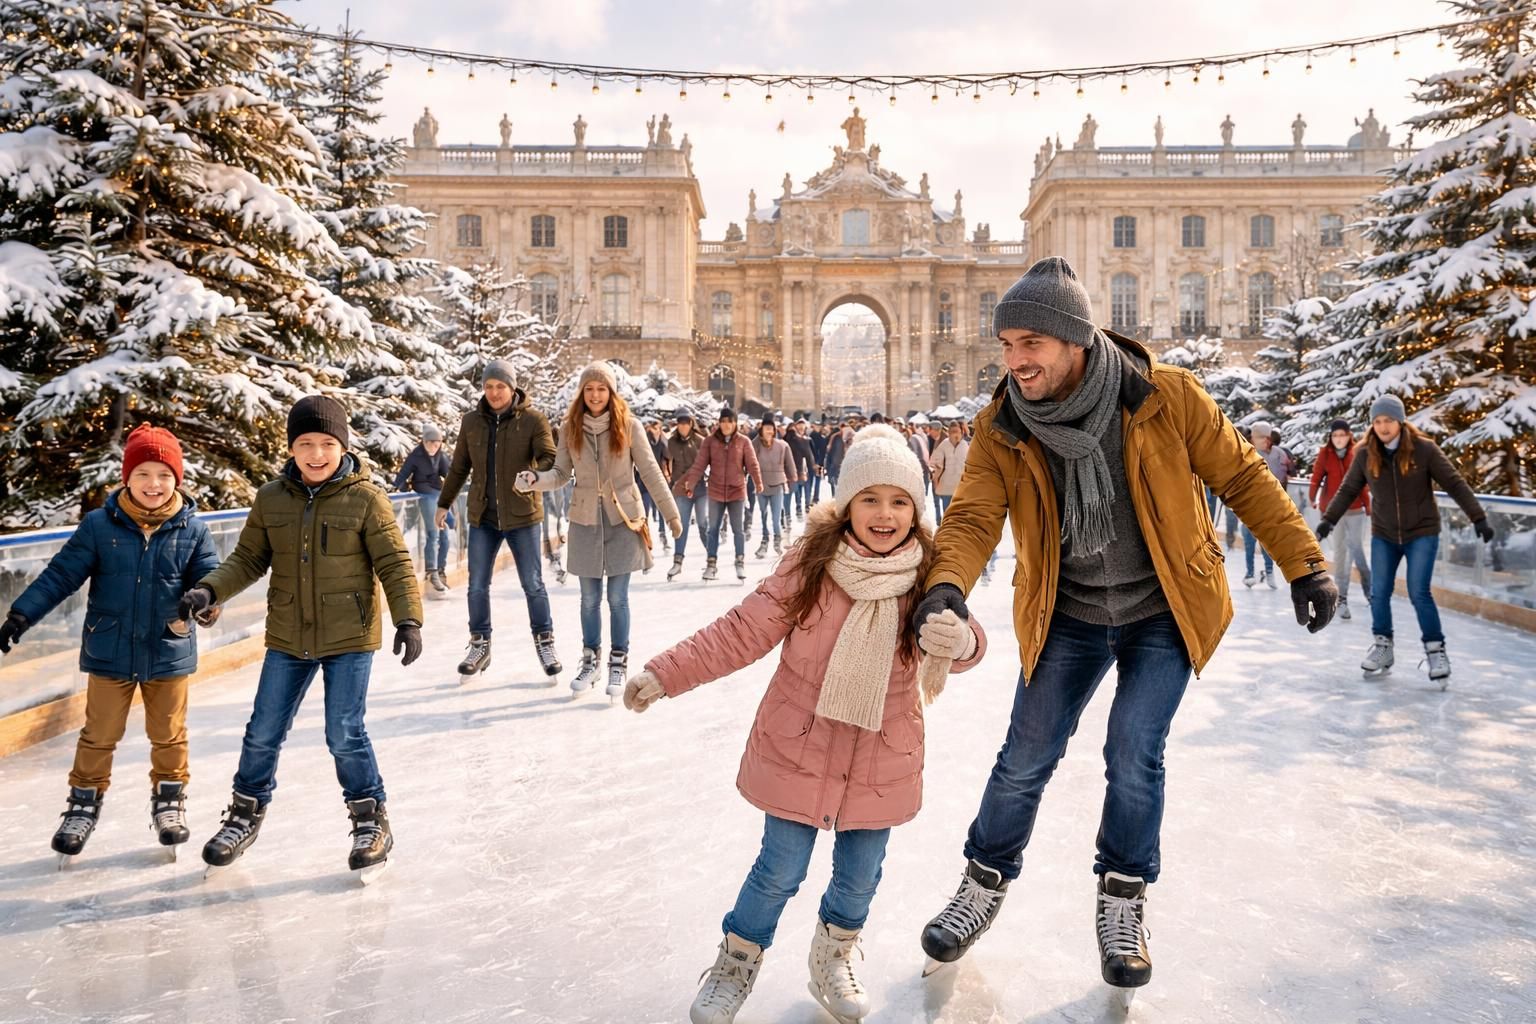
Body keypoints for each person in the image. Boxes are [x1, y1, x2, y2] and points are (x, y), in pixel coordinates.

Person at [911, 257, 1336, 996]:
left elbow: (1240, 475)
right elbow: (975, 514)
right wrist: (946, 585)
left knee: (1134, 748)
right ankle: (982, 881)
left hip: (1163, 609)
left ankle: (1123, 900)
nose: (1014, 361)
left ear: (1074, 339)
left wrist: (1304, 563)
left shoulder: (1165, 397)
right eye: (1006, 344)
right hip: (1068, 612)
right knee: (1025, 755)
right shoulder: (1005, 423)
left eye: (1030, 344)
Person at [622, 424, 987, 1024]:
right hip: (799, 748)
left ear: (917, 510)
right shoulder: (811, 564)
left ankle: (833, 957)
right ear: (846, 506)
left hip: (880, 758)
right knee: (777, 871)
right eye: (869, 498)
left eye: (899, 501)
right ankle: (734, 965)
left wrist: (962, 638)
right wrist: (667, 674)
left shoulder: (929, 576)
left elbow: (970, 644)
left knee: (859, 878)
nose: (885, 513)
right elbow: (741, 631)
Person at [179, 396, 423, 877]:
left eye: (327, 444)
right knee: (262, 731)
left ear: (342, 446)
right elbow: (248, 558)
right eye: (305, 444)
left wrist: (408, 619)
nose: (316, 454)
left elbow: (393, 563)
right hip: (289, 635)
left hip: (349, 636)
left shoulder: (366, 498)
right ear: (291, 448)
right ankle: (244, 813)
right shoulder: (272, 498)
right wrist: (209, 590)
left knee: (343, 733)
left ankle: (371, 818)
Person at [0, 425, 220, 862]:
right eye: (142, 474)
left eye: (163, 474)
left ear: (177, 478)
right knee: (98, 735)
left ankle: (169, 803)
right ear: (126, 478)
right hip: (110, 650)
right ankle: (82, 807)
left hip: (167, 649)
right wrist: (21, 614)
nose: (153, 484)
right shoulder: (100, 526)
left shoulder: (193, 530)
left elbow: (213, 580)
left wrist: (205, 602)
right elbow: (61, 575)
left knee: (169, 735)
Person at [520, 362, 680, 698]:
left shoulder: (629, 425)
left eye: (601, 389)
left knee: (617, 598)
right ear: (582, 393)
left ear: (611, 392)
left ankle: (618, 661)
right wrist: (536, 479)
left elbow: (650, 472)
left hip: (624, 519)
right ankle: (590, 659)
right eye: (590, 389)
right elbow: (561, 473)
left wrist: (671, 514)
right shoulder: (569, 428)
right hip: (585, 520)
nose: (595, 395)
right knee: (589, 600)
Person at [1317, 395, 1492, 685]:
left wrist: (1478, 518)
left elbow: (1454, 483)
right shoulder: (1364, 453)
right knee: (1380, 592)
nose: (1383, 427)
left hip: (1422, 532)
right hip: (1384, 533)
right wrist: (1327, 522)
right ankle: (1383, 647)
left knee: (1418, 592)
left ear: (1400, 421)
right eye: (1377, 421)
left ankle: (1436, 651)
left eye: (1388, 420)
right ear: (1372, 425)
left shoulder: (1424, 450)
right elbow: (1348, 490)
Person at [436, 359, 562, 684]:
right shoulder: (471, 422)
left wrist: (535, 475)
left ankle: (545, 642)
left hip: (523, 515)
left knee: (533, 584)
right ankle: (480, 644)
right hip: (483, 517)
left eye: (500, 386)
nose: (494, 392)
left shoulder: (533, 420)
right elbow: (459, 467)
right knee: (477, 585)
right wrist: (443, 503)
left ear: (512, 387)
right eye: (489, 386)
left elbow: (550, 456)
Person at [682, 407, 763, 582]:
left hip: (737, 491)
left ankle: (740, 561)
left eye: (730, 421)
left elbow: (752, 464)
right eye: (723, 421)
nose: (726, 425)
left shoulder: (743, 441)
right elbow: (699, 464)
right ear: (719, 423)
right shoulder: (710, 441)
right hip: (716, 490)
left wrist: (758, 482)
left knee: (738, 529)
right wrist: (691, 483)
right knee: (713, 529)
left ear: (735, 423)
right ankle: (711, 564)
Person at [1308, 419, 1372, 620]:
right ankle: (1342, 599)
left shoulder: (1357, 452)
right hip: (1334, 513)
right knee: (1341, 555)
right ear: (1331, 437)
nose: (1339, 439)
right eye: (1335, 435)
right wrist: (1313, 496)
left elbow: (1362, 482)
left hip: (1355, 510)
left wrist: (1368, 504)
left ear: (1349, 435)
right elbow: (1317, 476)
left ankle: (1370, 592)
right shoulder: (1325, 454)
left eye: (1342, 435)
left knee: (1356, 548)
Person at [393, 424, 453, 594]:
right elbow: (402, 475)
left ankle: (440, 570)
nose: (435, 446)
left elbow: (450, 474)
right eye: (432, 443)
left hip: (437, 494)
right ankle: (431, 571)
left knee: (446, 533)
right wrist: (402, 487)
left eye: (438, 443)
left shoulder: (440, 455)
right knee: (433, 533)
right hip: (425, 495)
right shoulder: (416, 455)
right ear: (424, 442)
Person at [1240, 419, 1295, 589]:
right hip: (1251, 505)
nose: (1261, 441)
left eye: (1263, 437)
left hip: (1271, 505)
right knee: (1249, 540)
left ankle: (1269, 571)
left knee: (1267, 542)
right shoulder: (1247, 453)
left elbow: (1291, 470)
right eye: (1257, 437)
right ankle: (1249, 573)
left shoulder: (1279, 454)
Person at [664, 411, 709, 580]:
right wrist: (669, 477)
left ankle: (711, 556)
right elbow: (667, 460)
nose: (683, 426)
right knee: (680, 524)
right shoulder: (671, 442)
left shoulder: (700, 441)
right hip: (680, 489)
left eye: (686, 423)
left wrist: (688, 480)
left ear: (691, 424)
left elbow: (702, 464)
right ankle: (678, 561)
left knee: (703, 522)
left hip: (699, 487)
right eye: (680, 423)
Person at [751, 419, 799, 559]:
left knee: (776, 518)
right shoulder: (756, 444)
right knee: (764, 516)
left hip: (777, 484)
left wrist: (794, 476)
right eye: (766, 428)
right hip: (761, 484)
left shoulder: (782, 445)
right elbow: (748, 457)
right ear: (761, 430)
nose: (769, 431)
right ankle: (764, 542)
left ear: (774, 430)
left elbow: (789, 463)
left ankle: (777, 542)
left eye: (771, 429)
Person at [928, 420, 970, 526]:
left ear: (961, 432)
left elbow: (971, 466)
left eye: (957, 431)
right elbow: (935, 464)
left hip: (961, 488)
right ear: (949, 432)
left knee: (959, 517)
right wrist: (935, 479)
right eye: (952, 431)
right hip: (946, 487)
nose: (955, 434)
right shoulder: (944, 445)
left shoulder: (966, 446)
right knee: (947, 516)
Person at [786, 419, 816, 520]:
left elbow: (813, 453)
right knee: (798, 490)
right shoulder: (793, 440)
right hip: (796, 468)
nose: (801, 429)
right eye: (799, 426)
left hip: (807, 469)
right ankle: (799, 507)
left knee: (807, 489)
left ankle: (807, 505)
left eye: (803, 427)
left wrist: (814, 465)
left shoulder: (808, 440)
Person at [809, 422, 830, 502]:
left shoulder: (810, 437)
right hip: (817, 462)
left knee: (813, 480)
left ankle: (813, 497)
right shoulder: (821, 438)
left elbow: (822, 452)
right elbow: (823, 452)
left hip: (814, 462)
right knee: (815, 480)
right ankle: (815, 497)